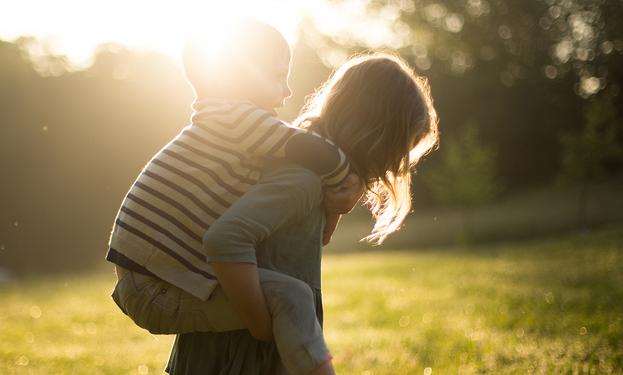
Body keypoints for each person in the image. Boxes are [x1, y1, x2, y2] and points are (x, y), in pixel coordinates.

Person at [107, 17, 362, 375]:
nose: (287, 91)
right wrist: (347, 180)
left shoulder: (224, 123)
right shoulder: (235, 119)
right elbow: (311, 149)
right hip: (155, 287)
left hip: (152, 280)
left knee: (286, 298)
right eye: (277, 76)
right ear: (238, 77)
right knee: (292, 297)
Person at [166, 52, 439, 374]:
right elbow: (227, 239)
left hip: (254, 344)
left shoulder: (313, 174)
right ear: (375, 134)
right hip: (241, 352)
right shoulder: (302, 179)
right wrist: (261, 324)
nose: (396, 165)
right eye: (399, 148)